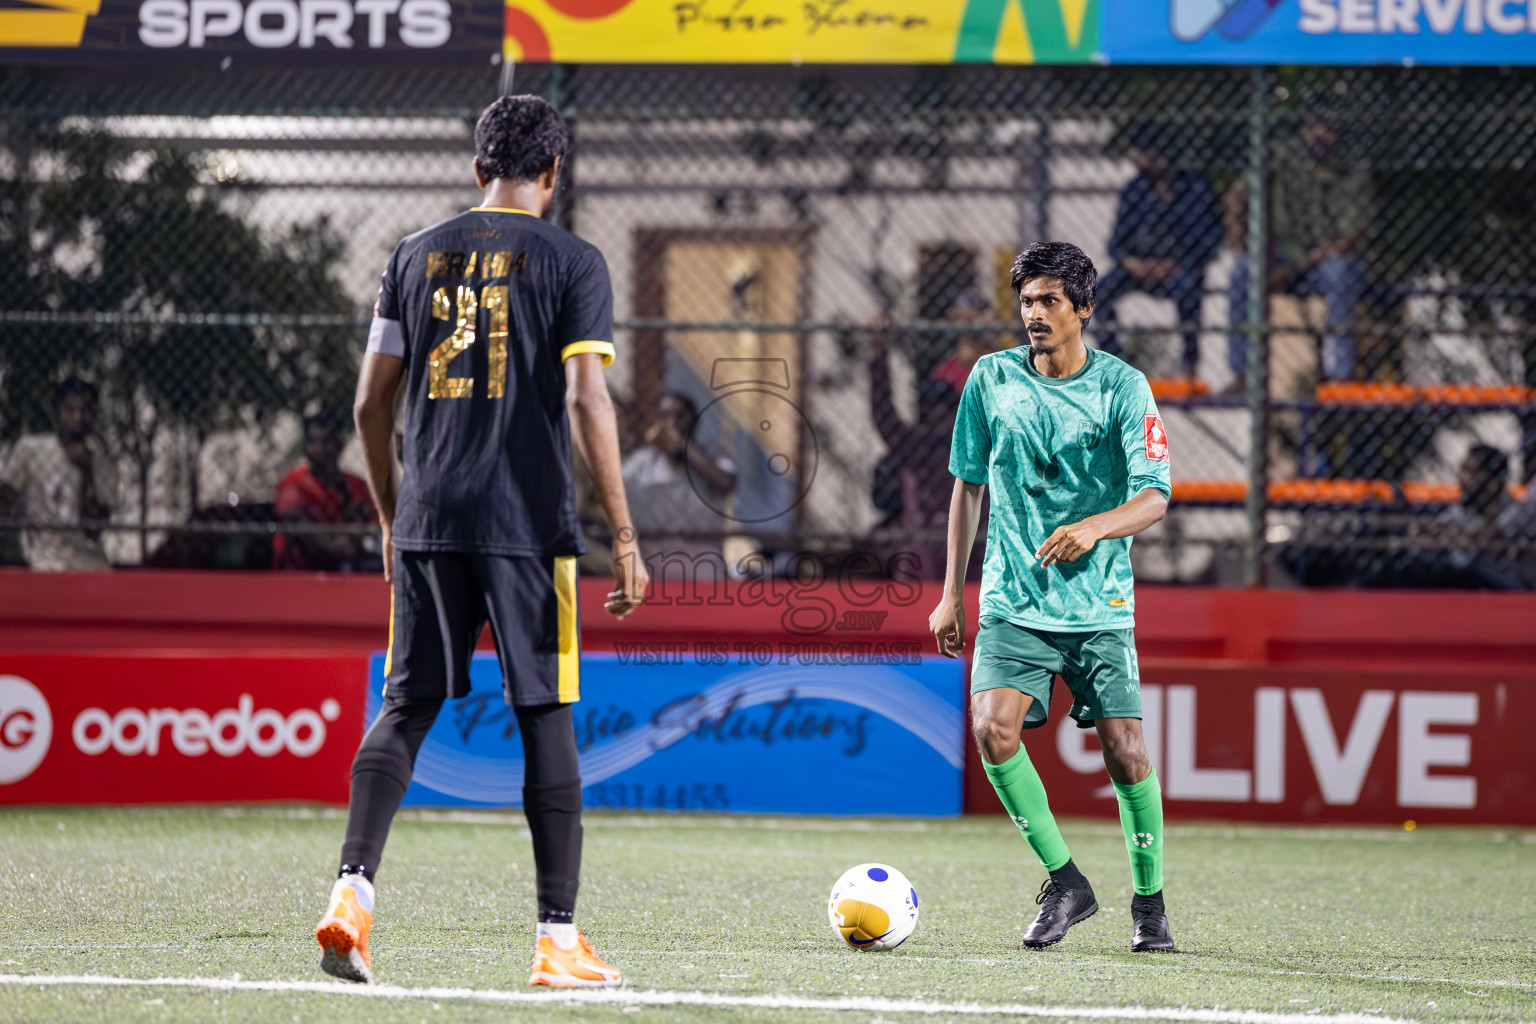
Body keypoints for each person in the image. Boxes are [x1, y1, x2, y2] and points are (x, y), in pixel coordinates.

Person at [313, 94, 649, 990]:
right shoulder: (575, 260)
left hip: (427, 513)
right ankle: (556, 940)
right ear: (553, 175)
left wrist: (391, 516)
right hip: (527, 524)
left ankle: (352, 892)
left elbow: (366, 404)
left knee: (407, 705)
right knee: (545, 710)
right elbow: (587, 400)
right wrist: (624, 533)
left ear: (476, 171)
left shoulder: (411, 256)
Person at [928, 241, 1175, 953]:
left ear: (1084, 309)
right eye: (1027, 302)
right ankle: (1065, 882)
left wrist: (1094, 527)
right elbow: (967, 485)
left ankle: (1149, 903)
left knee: (1126, 750)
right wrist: (952, 593)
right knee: (990, 729)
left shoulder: (1122, 388)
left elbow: (1155, 495)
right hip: (1013, 597)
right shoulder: (991, 379)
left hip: (1098, 606)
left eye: (1050, 302)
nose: (1035, 315)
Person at [1228, 109, 1372, 383]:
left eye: (1327, 128)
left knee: (1340, 271)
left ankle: (1341, 374)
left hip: (1323, 261)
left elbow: (1349, 237)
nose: (1319, 135)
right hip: (1283, 253)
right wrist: (1241, 246)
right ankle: (1241, 373)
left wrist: (1296, 266)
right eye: (1312, 127)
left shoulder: (1352, 171)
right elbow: (1237, 195)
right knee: (1242, 271)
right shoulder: (1281, 159)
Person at [1095, 126, 1221, 379]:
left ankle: (1189, 364)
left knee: (1188, 289)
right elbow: (1116, 245)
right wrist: (1135, 264)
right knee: (1099, 293)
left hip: (1178, 268)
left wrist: (1176, 264)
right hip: (1138, 267)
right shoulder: (1135, 190)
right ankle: (1114, 364)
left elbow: (1209, 242)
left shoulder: (1194, 188)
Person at [0, 377, 117, 571]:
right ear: (57, 412)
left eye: (86, 410)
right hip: (44, 557)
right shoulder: (31, 450)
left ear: (95, 414)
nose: (78, 417)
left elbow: (94, 530)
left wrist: (86, 471)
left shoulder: (102, 464)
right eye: (70, 410)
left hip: (87, 561)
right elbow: (5, 499)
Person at [621, 391, 736, 575]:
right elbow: (608, 491)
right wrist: (651, 442)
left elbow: (726, 483)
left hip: (700, 565)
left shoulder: (712, 457)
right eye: (664, 416)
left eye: (678, 417)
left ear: (694, 423)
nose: (670, 424)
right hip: (652, 564)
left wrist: (683, 444)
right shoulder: (643, 462)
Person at [272, 412, 376, 571]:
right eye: (312, 442)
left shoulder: (356, 485)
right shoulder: (295, 483)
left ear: (339, 444)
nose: (318, 448)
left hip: (351, 563)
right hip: (302, 569)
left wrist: (353, 541)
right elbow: (295, 521)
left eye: (325, 441)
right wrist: (333, 546)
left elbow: (372, 523)